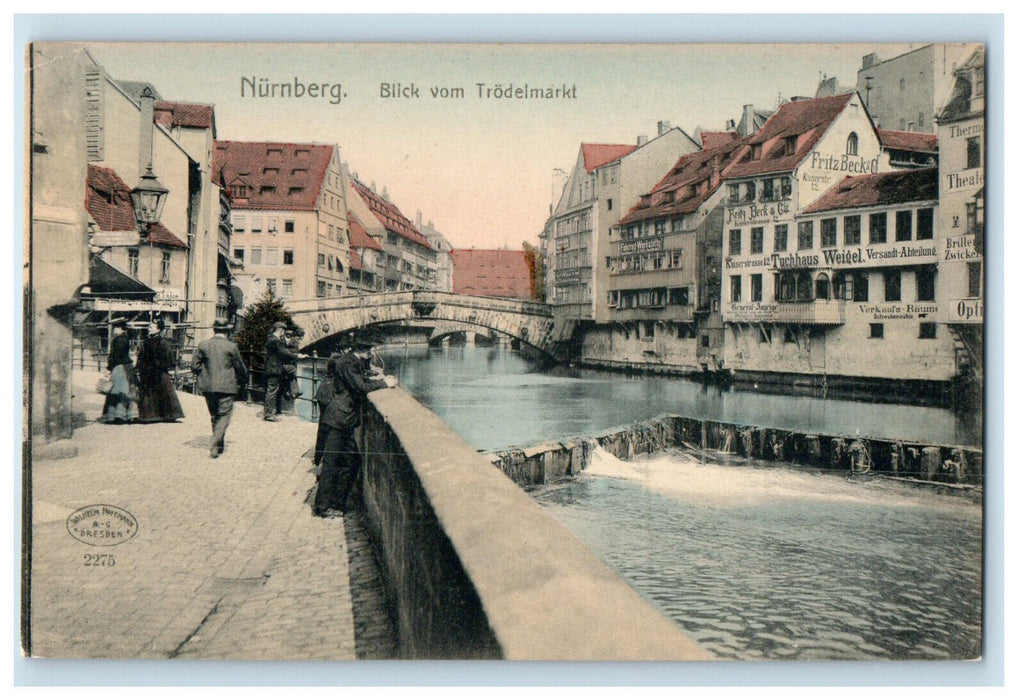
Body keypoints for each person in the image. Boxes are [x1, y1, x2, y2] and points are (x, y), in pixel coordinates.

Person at [313, 336, 397, 517]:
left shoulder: (352, 361)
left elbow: (359, 379)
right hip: (339, 419)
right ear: (364, 350)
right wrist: (384, 383)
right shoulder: (347, 363)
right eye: (371, 350)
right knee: (332, 463)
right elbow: (360, 387)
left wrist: (372, 376)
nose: (372, 353)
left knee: (351, 460)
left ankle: (337, 503)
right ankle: (322, 507)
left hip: (345, 420)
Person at [192, 320, 248, 458]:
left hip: (208, 386)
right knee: (224, 415)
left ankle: (219, 445)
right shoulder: (231, 347)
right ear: (227, 331)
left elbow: (194, 365)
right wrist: (242, 380)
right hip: (227, 386)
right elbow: (240, 368)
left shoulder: (203, 345)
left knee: (214, 415)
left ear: (214, 330)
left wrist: (205, 374)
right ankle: (215, 442)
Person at [136, 321, 185, 423]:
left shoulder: (162, 342)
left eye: (152, 327)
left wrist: (158, 365)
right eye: (149, 326)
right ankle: (151, 416)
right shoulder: (146, 341)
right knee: (148, 393)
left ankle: (169, 415)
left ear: (158, 329)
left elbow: (168, 358)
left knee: (165, 392)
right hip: (147, 372)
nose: (149, 328)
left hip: (159, 371)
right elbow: (141, 356)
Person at [101, 320, 137, 424]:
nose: (113, 330)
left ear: (120, 328)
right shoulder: (124, 338)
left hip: (120, 368)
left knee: (117, 390)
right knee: (125, 390)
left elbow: (115, 356)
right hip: (125, 367)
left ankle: (118, 416)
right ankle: (127, 414)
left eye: (114, 328)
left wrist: (109, 367)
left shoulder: (119, 339)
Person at [264, 321, 299, 421]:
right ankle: (269, 414)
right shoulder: (275, 340)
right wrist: (297, 356)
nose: (284, 333)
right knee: (272, 391)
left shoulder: (272, 339)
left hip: (274, 367)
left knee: (291, 370)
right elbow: (283, 352)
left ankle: (293, 390)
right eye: (283, 331)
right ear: (280, 330)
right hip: (274, 369)